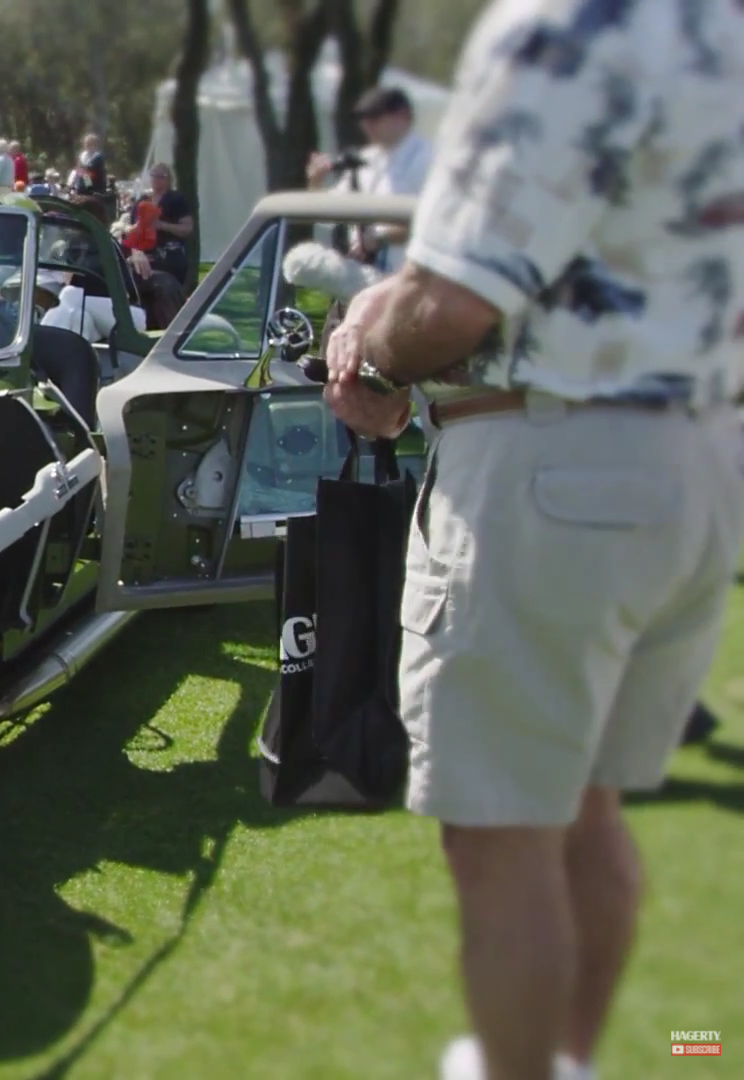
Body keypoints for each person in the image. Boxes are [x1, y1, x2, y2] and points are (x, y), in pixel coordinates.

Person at [321, 3, 744, 1078]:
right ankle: (570, 1063)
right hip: (694, 461)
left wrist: (368, 350)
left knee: (504, 836)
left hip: (554, 466)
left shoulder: (567, 20)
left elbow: (454, 300)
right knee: (588, 809)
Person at [307, 85, 434, 272]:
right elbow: (329, 215)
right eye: (363, 118)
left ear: (403, 116)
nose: (367, 125)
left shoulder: (429, 160)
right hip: (365, 275)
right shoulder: (366, 160)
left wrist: (379, 238)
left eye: (375, 117)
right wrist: (316, 181)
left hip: (409, 277)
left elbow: (433, 224)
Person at [143, 161, 194, 284]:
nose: (156, 178)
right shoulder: (143, 199)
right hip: (144, 257)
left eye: (161, 176)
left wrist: (162, 225)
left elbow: (187, 228)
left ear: (169, 179)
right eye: (154, 175)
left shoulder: (175, 199)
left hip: (169, 258)